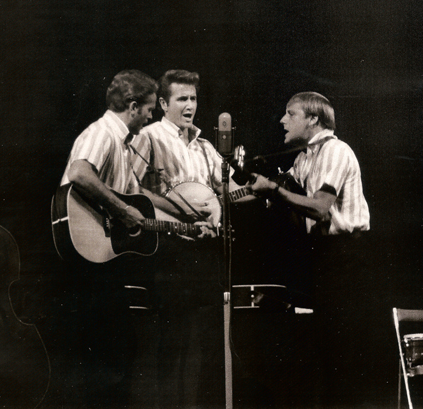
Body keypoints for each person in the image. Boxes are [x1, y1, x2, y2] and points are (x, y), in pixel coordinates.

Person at [55, 69, 214, 408]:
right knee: (107, 353)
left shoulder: (125, 144)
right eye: (147, 110)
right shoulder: (103, 133)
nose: (150, 116)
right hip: (89, 255)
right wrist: (122, 211)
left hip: (104, 258)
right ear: (131, 105)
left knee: (120, 349)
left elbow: (135, 195)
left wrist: (182, 215)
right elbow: (79, 173)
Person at [130, 69, 249, 409]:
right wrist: (177, 211)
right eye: (182, 98)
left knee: (202, 340)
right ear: (164, 103)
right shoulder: (150, 136)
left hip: (205, 250)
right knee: (172, 338)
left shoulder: (205, 145)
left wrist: (264, 189)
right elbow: (132, 188)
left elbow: (225, 193)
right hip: (168, 247)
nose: (190, 105)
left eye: (193, 98)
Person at [248, 92, 372, 406]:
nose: (282, 120)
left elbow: (319, 208)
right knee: (322, 352)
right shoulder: (305, 158)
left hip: (344, 258)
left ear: (313, 119)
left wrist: (272, 189)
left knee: (340, 354)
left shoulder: (334, 150)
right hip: (321, 258)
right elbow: (270, 191)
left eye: (291, 114)